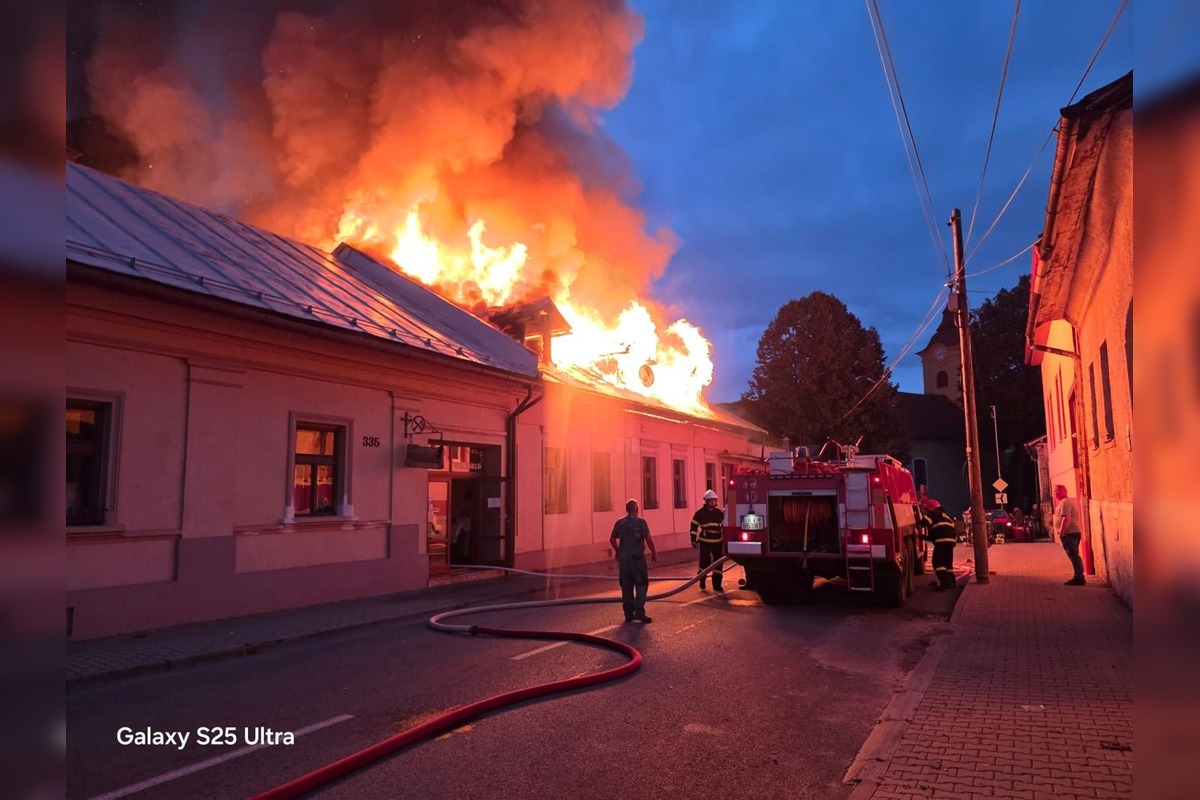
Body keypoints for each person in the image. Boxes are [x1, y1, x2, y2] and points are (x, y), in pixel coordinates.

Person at [610, 499, 658, 623]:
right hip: (637, 558)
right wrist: (654, 553)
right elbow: (648, 539)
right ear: (636, 509)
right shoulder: (641, 522)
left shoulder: (620, 522)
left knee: (626, 586)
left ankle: (628, 614)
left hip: (624, 559)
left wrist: (618, 551)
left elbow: (612, 539)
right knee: (641, 584)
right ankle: (639, 613)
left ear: (627, 509)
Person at [689, 489, 725, 592]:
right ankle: (702, 580)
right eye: (710, 501)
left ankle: (717, 585)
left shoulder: (719, 513)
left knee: (718, 564)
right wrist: (693, 540)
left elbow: (725, 525)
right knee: (705, 562)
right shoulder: (699, 513)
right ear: (705, 501)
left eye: (714, 500)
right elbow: (693, 527)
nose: (712, 502)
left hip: (718, 541)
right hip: (705, 541)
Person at [920, 498, 958, 590]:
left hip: (941, 541)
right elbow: (934, 535)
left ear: (931, 507)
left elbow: (924, 522)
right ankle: (952, 583)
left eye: (927, 509)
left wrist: (917, 524)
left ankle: (945, 584)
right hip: (950, 542)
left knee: (938, 563)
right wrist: (922, 537)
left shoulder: (934, 513)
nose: (926, 512)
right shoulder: (946, 516)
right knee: (947, 565)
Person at [1054, 485, 1086, 585]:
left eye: (1057, 491)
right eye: (1055, 492)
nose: (1055, 494)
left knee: (1074, 556)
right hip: (1073, 532)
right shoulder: (1067, 502)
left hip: (1070, 533)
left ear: (1063, 491)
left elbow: (1066, 519)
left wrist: (1061, 532)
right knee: (1074, 555)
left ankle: (1079, 578)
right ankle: (1079, 576)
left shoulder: (1065, 503)